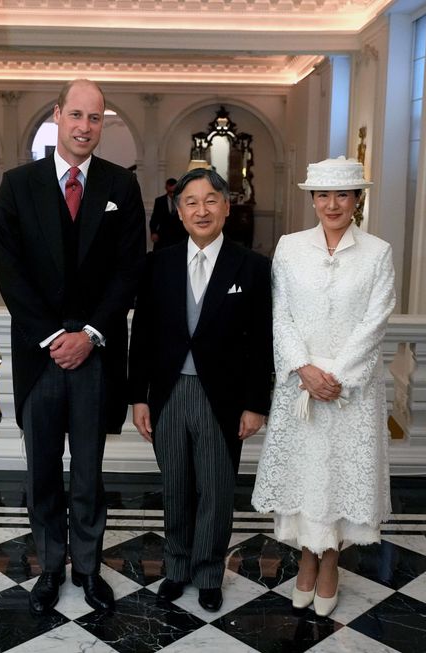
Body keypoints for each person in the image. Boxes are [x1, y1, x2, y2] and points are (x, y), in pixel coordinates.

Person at [0, 79, 146, 615]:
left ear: (103, 124)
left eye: (96, 117)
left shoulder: (120, 188)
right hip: (40, 358)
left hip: (96, 356)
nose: (85, 126)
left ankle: (87, 567)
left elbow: (130, 271)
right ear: (58, 115)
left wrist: (90, 336)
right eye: (76, 114)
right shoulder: (17, 185)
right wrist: (56, 337)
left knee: (88, 472)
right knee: (42, 474)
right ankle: (50, 567)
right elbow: (9, 273)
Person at [252, 156, 395, 617]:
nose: (331, 204)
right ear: (312, 199)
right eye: (322, 195)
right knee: (308, 475)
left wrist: (337, 375)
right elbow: (279, 314)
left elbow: (377, 320)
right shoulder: (290, 247)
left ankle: (330, 561)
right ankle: (305, 560)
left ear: (357, 200)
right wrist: (303, 370)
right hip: (302, 387)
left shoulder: (378, 252)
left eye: (342, 195)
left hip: (352, 391)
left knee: (339, 478)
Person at [129, 168, 273, 612]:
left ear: (227, 206)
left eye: (211, 199)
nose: (201, 209)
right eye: (191, 201)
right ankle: (176, 566)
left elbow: (262, 342)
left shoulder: (252, 266)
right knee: (174, 486)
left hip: (222, 398)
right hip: (169, 394)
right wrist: (138, 397)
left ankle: (209, 571)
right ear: (179, 210)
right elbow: (144, 336)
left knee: (214, 488)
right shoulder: (159, 264)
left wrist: (254, 404)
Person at [149, 177, 187, 250]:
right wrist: (153, 232)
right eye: (170, 192)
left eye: (174, 192)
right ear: (166, 188)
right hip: (163, 237)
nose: (172, 194)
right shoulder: (159, 201)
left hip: (180, 236)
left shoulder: (183, 201)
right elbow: (154, 218)